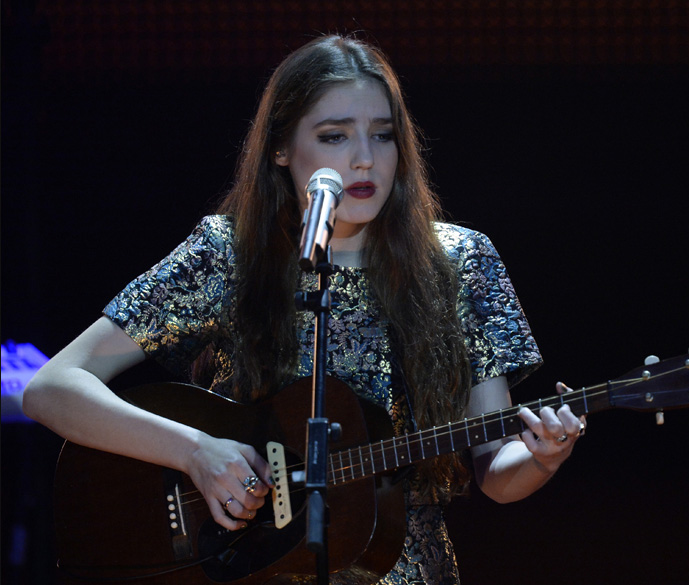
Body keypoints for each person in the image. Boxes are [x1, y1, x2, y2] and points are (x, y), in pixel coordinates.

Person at [23, 34, 585, 584]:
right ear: (282, 148)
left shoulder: (460, 261)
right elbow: (51, 388)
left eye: (383, 136)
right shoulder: (229, 254)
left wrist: (542, 458)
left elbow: (494, 469)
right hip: (245, 566)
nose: (365, 159)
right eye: (335, 136)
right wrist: (196, 452)